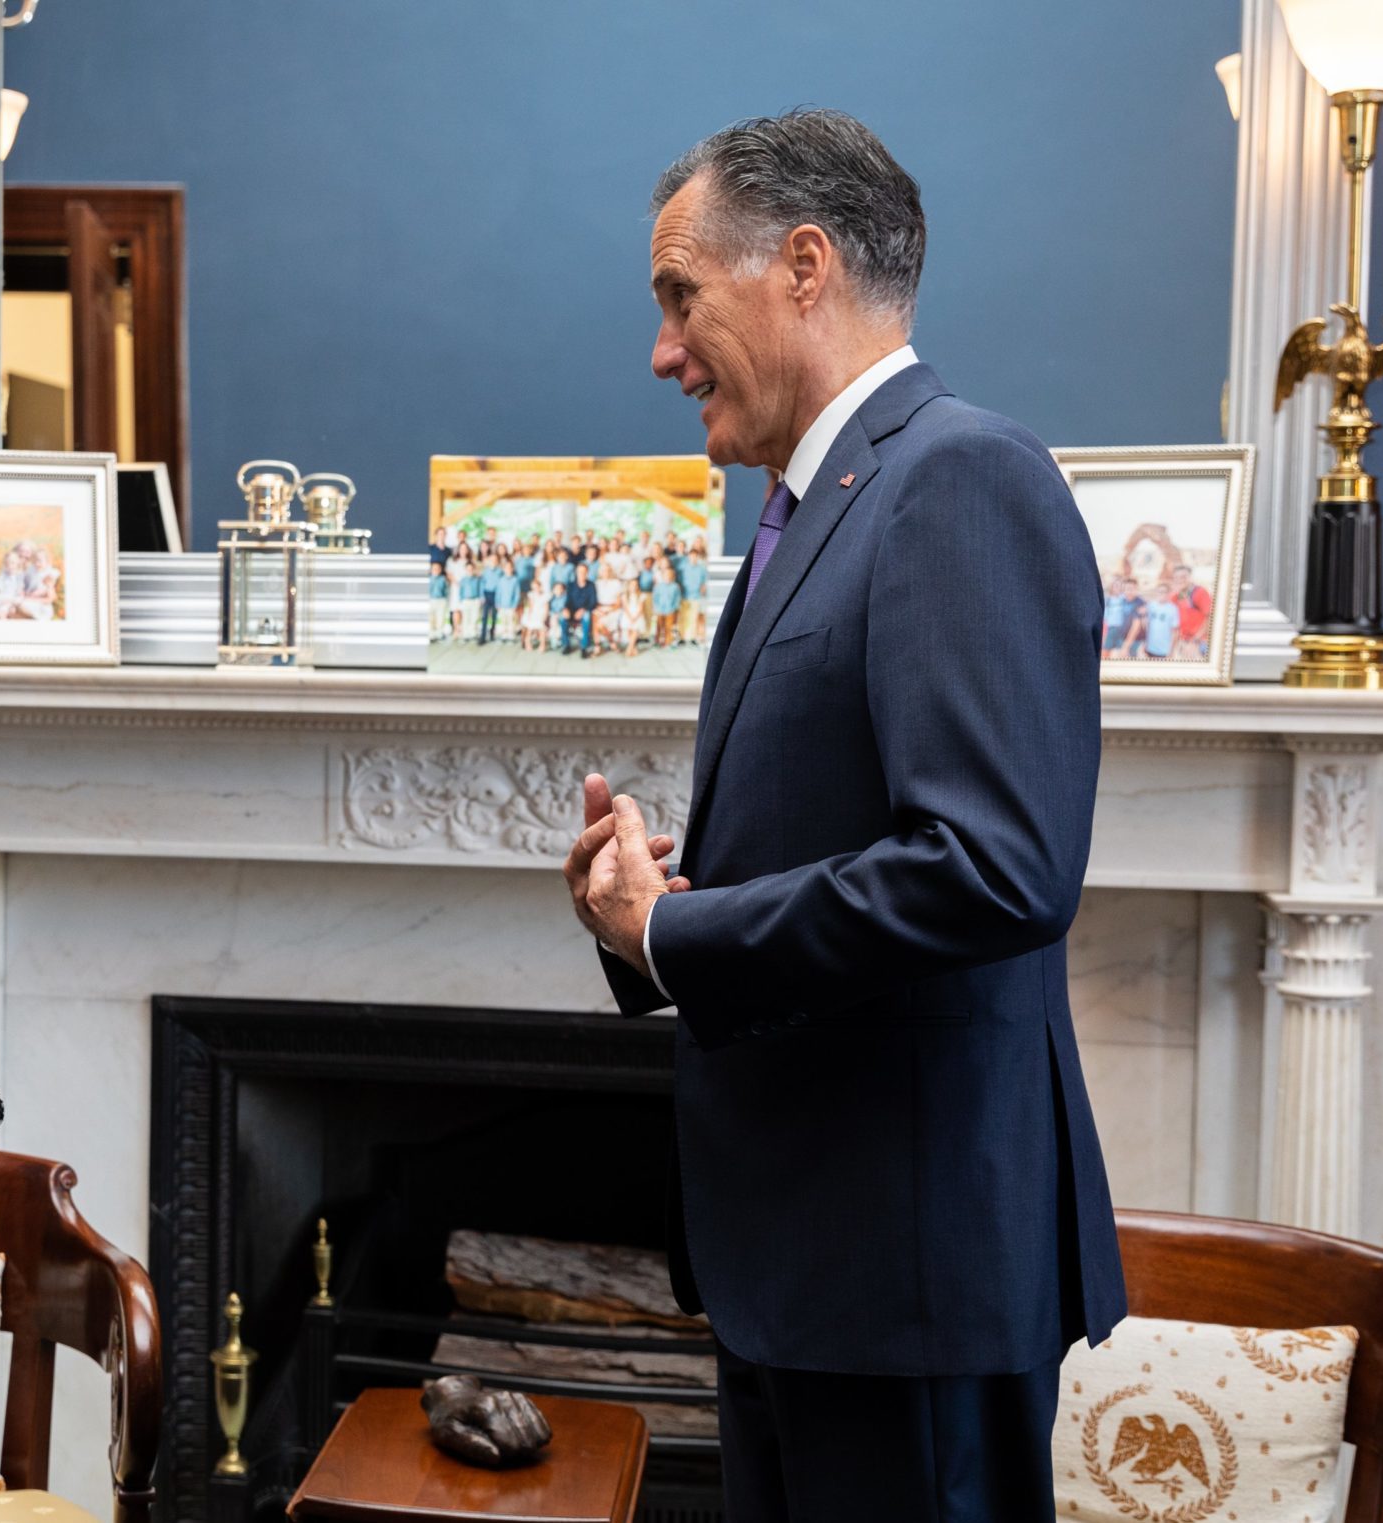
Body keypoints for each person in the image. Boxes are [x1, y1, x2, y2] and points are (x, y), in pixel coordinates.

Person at [561, 110, 1122, 1522]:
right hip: (809, 1271)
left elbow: (996, 865)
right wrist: (649, 913)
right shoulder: (813, 508)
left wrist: (681, 927)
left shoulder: (958, 477)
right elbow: (852, 836)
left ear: (802, 265)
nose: (663, 349)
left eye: (680, 296)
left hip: (906, 1280)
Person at [562, 560, 598, 656]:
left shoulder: (591, 585)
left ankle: (584, 647)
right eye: (579, 572)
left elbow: (593, 602)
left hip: (584, 611)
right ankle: (566, 645)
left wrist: (583, 609)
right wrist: (565, 608)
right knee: (562, 617)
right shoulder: (570, 585)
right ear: (576, 573)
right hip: (572, 611)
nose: (581, 574)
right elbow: (567, 600)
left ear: (587, 573)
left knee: (586, 616)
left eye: (584, 572)